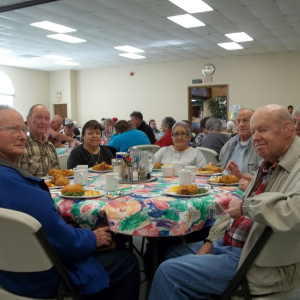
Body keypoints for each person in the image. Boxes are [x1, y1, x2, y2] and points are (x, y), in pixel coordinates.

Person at [149, 104, 300, 299]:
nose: (256, 138)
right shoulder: (269, 164)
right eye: (254, 132)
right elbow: (233, 211)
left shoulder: (293, 166)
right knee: (172, 253)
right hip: (231, 244)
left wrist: (247, 206)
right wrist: (211, 241)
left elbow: (294, 211)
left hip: (254, 261)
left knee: (168, 271)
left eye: (263, 130)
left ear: (287, 129)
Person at [0, 105, 140, 300]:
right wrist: (93, 237)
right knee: (126, 260)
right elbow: (64, 242)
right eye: (13, 129)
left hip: (7, 271)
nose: (22, 136)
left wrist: (68, 226)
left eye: (22, 129)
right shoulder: (18, 186)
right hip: (39, 278)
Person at [209, 109, 263, 191]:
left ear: (255, 123)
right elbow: (222, 167)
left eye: (245, 121)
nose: (241, 124)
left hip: (243, 189)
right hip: (221, 186)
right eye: (238, 121)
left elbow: (264, 177)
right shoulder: (230, 143)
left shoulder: (260, 145)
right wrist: (214, 167)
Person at [18, 104, 60, 178]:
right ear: (28, 119)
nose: (43, 122)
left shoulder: (51, 147)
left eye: (47, 118)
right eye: (39, 117)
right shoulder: (21, 145)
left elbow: (58, 175)